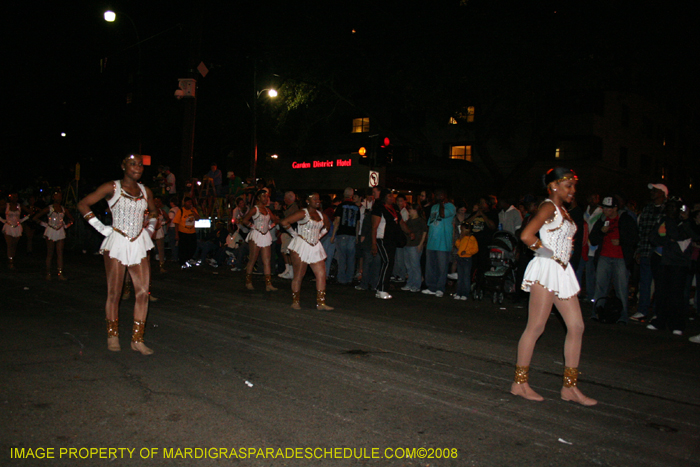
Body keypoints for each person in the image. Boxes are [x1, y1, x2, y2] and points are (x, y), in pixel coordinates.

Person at [512, 167, 596, 406]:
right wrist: (547, 255)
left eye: (573, 186)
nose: (573, 191)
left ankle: (570, 388)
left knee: (577, 326)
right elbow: (527, 235)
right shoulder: (548, 206)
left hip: (561, 271)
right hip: (548, 269)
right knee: (536, 326)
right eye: (568, 185)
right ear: (554, 186)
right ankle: (519, 383)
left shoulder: (563, 211)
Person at [77, 154, 157, 355]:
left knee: (142, 292)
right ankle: (112, 335)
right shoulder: (112, 187)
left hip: (138, 242)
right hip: (117, 243)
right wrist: (102, 228)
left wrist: (150, 229)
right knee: (115, 292)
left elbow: (155, 212)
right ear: (123, 166)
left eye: (140, 164)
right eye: (133, 164)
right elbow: (83, 204)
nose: (137, 167)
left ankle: (137, 339)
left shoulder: (145, 191)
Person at [589, 195, 639, 323]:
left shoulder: (625, 219)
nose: (605, 210)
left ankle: (623, 316)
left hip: (620, 258)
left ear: (616, 208)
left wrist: (621, 241)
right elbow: (593, 239)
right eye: (604, 207)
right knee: (600, 287)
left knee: (621, 288)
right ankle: (597, 313)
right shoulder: (602, 219)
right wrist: (601, 232)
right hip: (604, 257)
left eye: (609, 208)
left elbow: (634, 237)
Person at [280, 193, 333, 310]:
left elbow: (327, 226)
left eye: (318, 199)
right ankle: (295, 301)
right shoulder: (303, 213)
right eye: (314, 199)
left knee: (321, 274)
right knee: (299, 274)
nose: (317, 200)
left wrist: (319, 236)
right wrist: (295, 235)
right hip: (301, 245)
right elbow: (284, 222)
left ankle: (321, 303)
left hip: (315, 245)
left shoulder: (321, 214)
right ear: (308, 201)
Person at [372, 189, 413, 299]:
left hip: (392, 240)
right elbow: (374, 227)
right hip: (382, 238)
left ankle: (380, 287)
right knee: (387, 261)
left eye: (392, 196)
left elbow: (400, 222)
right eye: (390, 196)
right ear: (384, 197)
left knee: (389, 262)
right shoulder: (379, 208)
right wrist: (373, 243)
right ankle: (382, 289)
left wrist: (409, 232)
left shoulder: (395, 208)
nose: (392, 198)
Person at [240, 189, 279, 291]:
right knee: (253, 258)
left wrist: (270, 226)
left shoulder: (267, 210)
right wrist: (253, 226)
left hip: (266, 235)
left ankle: (268, 284)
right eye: (264, 196)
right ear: (258, 197)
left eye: (267, 197)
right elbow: (244, 220)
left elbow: (275, 220)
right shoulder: (255, 209)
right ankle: (248, 282)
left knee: (267, 260)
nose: (266, 198)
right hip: (256, 235)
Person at [32, 191, 74, 280]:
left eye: (60, 196)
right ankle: (48, 273)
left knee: (60, 253)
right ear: (53, 198)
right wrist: (45, 224)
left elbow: (72, 219)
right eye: (56, 196)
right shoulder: (49, 208)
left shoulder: (63, 209)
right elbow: (35, 217)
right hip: (50, 230)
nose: (58, 198)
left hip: (60, 231)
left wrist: (66, 226)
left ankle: (60, 274)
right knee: (50, 253)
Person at [422, 189, 456, 297]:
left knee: (442, 266)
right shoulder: (433, 207)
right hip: (432, 241)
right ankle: (431, 287)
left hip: (443, 242)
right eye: (436, 195)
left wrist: (442, 203)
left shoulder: (450, 206)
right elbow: (430, 223)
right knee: (430, 266)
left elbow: (442, 215)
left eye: (439, 195)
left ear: (444, 196)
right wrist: (427, 239)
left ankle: (440, 288)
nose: (437, 196)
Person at [332, 187, 360, 285]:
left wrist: (333, 235)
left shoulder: (340, 206)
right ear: (352, 195)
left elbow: (337, 222)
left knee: (342, 257)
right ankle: (349, 278)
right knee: (351, 258)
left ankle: (341, 278)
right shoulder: (356, 207)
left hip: (342, 233)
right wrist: (356, 236)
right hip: (352, 234)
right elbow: (358, 223)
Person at [401, 204, 428, 293]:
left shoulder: (420, 221)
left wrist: (421, 244)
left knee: (415, 265)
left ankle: (416, 285)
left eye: (411, 209)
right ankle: (410, 283)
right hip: (407, 244)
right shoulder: (409, 220)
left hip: (415, 245)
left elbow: (424, 232)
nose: (409, 211)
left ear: (416, 210)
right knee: (409, 266)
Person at [1, 193, 30, 269]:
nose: (14, 198)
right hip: (8, 227)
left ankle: (12, 258)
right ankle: (10, 261)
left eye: (16, 197)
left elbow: (30, 212)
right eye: (13, 197)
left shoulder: (20, 206)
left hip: (17, 227)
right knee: (9, 244)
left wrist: (23, 220)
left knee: (14, 245)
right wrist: (2, 220)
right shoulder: (7, 206)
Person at [453, 222, 478, 300]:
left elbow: (475, 249)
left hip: (467, 259)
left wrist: (467, 252)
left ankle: (465, 293)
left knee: (466, 277)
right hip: (460, 258)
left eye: (463, 230)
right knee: (460, 277)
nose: (462, 231)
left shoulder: (472, 238)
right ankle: (458, 292)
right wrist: (459, 239)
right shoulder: (462, 238)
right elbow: (458, 245)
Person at [173, 197, 200, 268]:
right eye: (188, 202)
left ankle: (189, 259)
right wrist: (177, 234)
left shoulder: (193, 209)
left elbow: (197, 218)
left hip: (192, 232)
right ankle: (182, 262)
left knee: (192, 247)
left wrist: (193, 212)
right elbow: (176, 223)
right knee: (183, 248)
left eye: (191, 202)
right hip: (183, 232)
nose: (190, 204)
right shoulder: (181, 211)